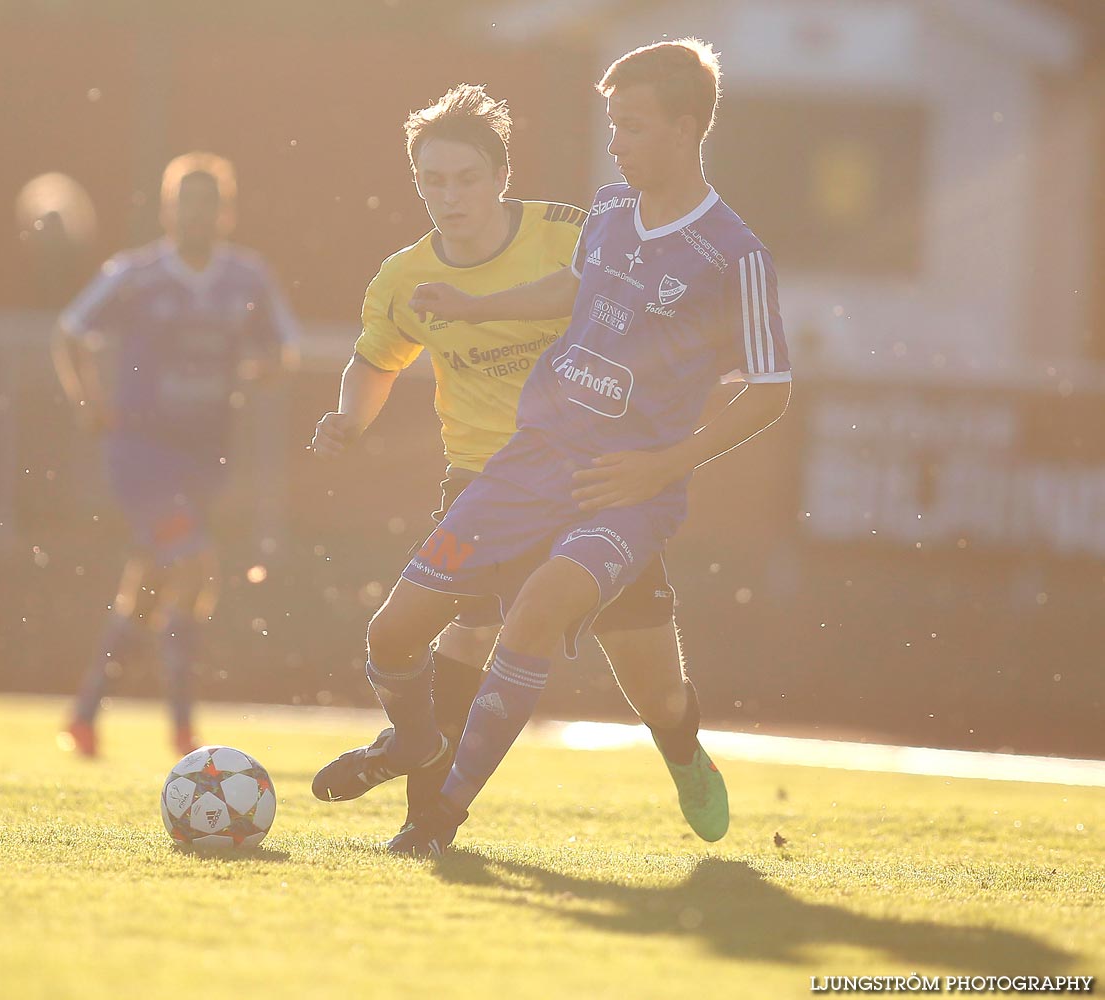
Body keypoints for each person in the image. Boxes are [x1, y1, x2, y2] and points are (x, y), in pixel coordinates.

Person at [310, 80, 734, 844]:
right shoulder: (402, 278)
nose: (450, 195)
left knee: (656, 690)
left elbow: (646, 310)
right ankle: (426, 823)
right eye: (432, 180)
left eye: (466, 177)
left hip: (592, 478)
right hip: (483, 481)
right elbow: (375, 363)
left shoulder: (567, 235)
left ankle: (679, 749)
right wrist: (348, 419)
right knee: (459, 637)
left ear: (502, 176)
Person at [53, 151, 297, 757]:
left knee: (153, 586)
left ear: (226, 213)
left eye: (207, 203)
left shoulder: (248, 278)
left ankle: (84, 716)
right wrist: (87, 400)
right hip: (142, 455)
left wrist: (267, 367)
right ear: (167, 210)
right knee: (195, 566)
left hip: (207, 457)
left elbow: (284, 348)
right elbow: (69, 332)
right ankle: (183, 728)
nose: (196, 214)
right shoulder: (136, 275)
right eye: (185, 203)